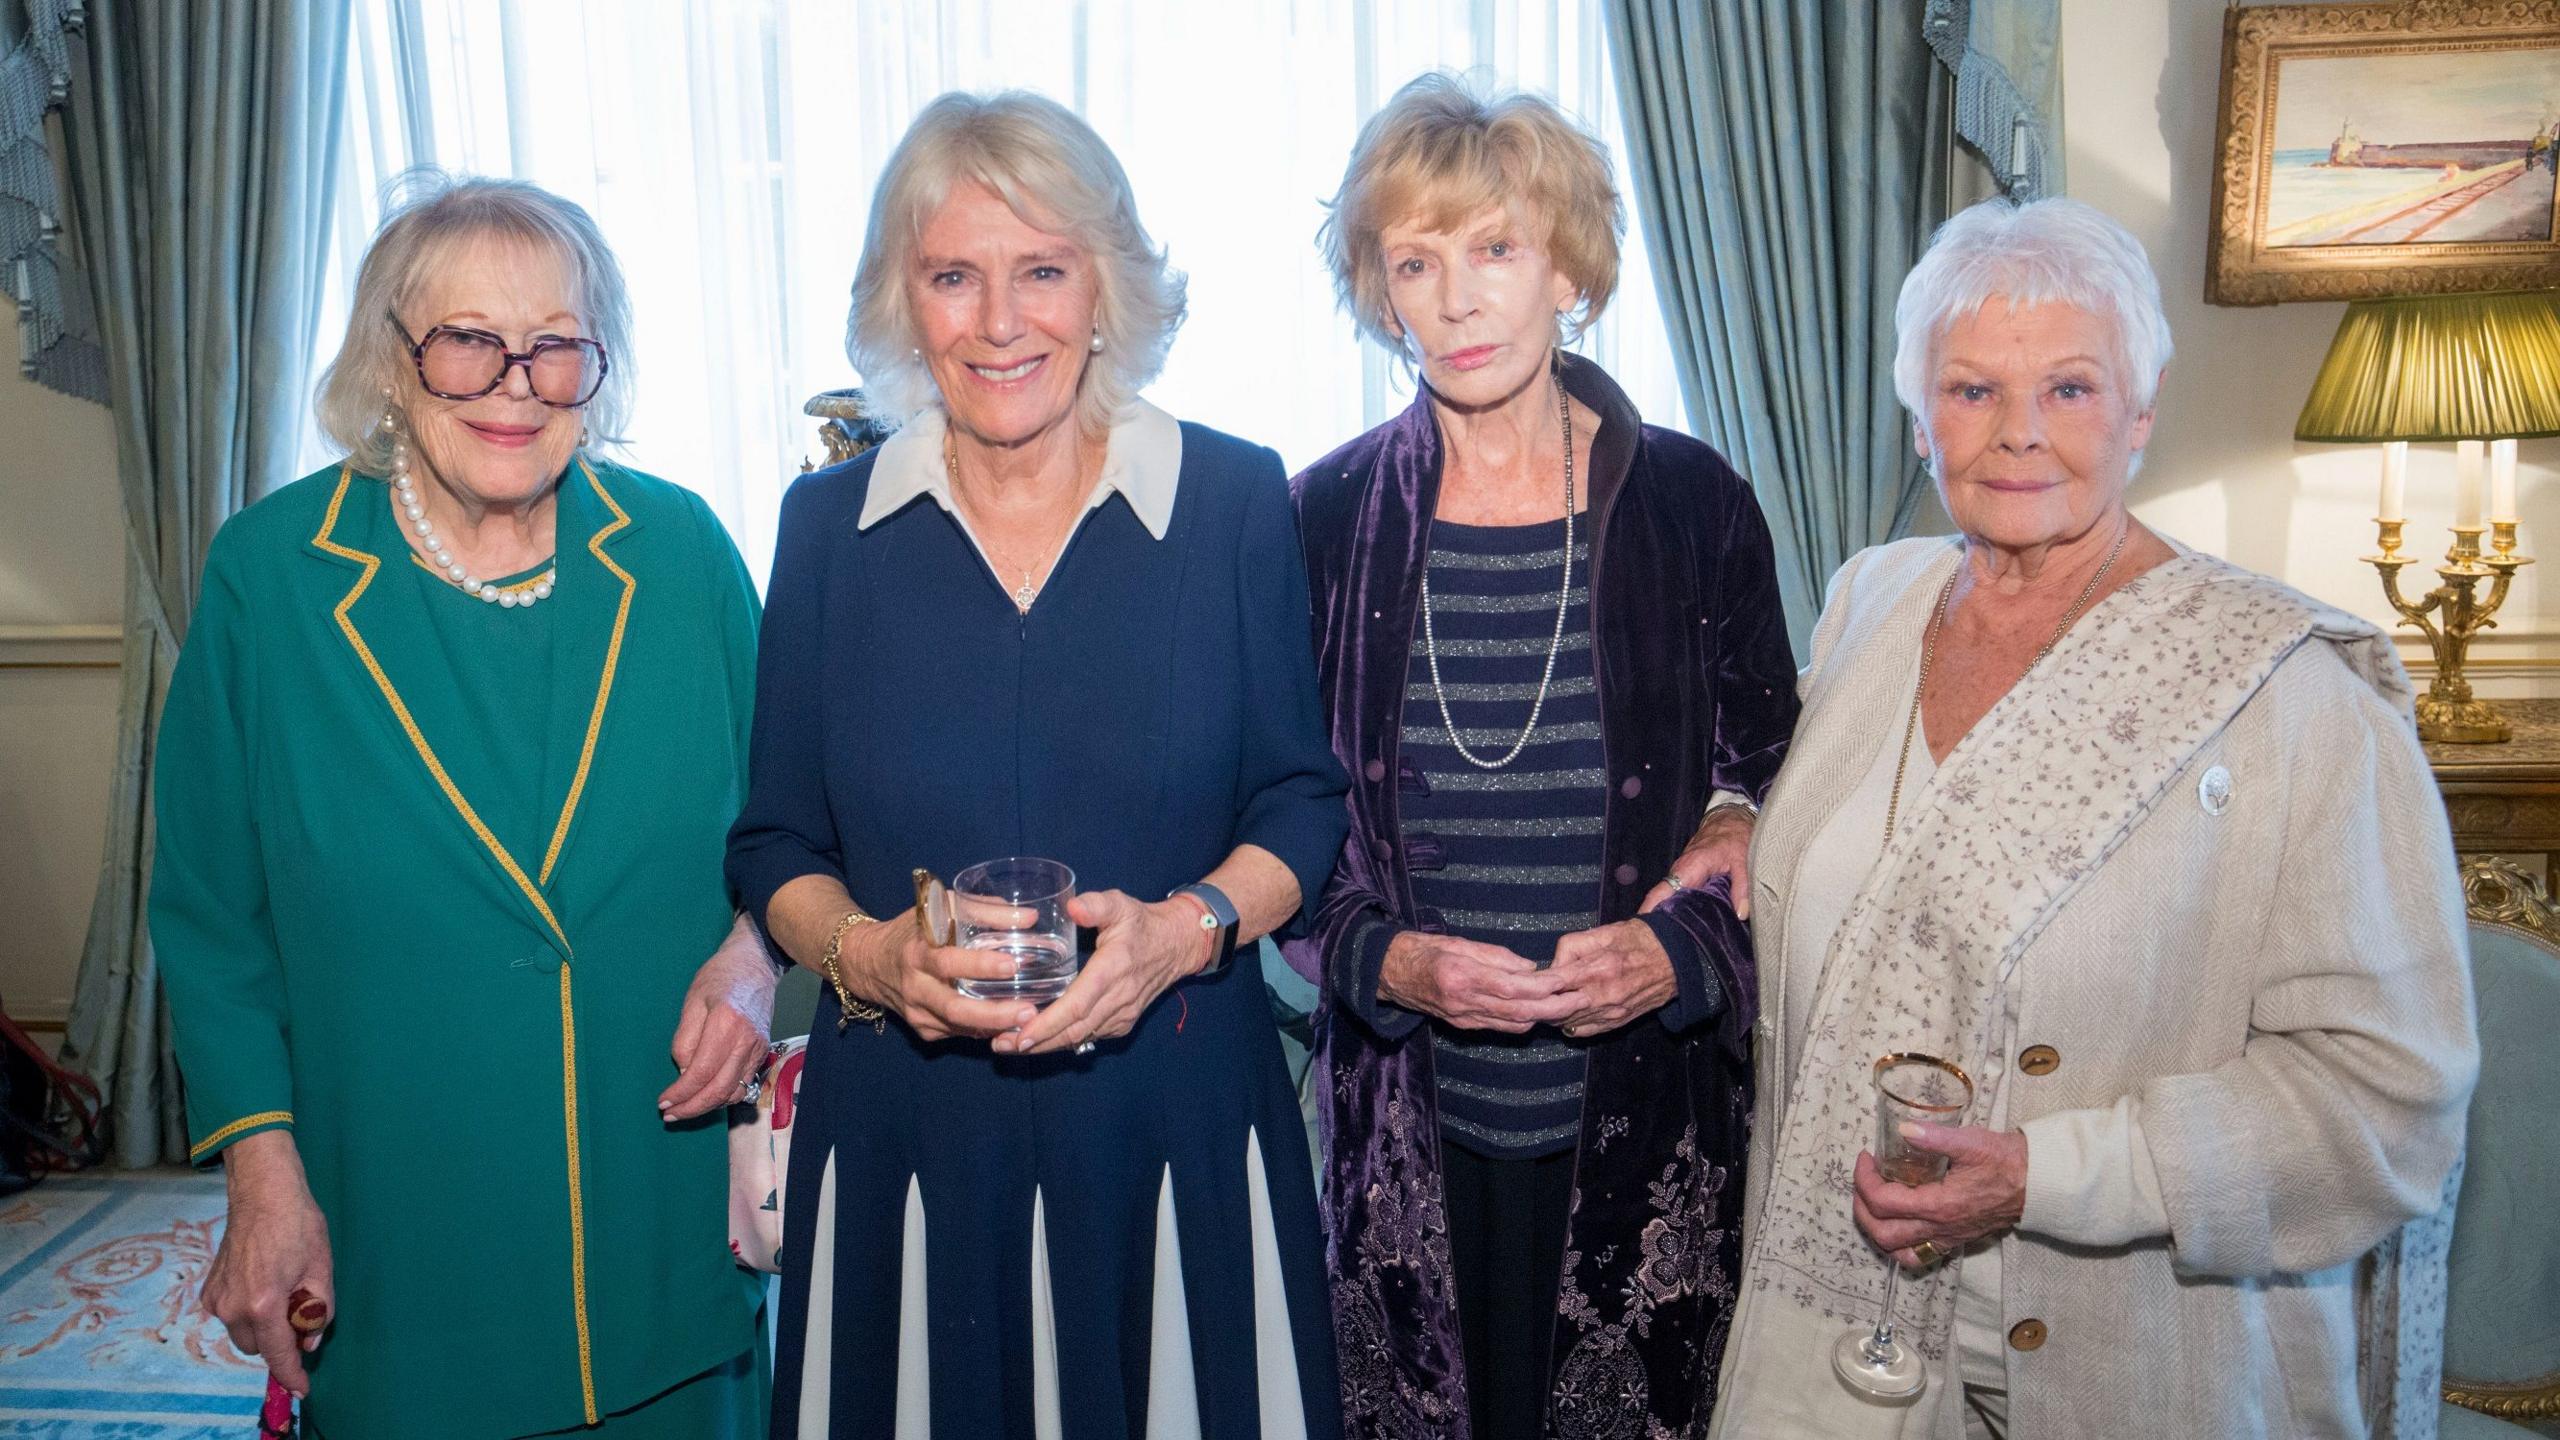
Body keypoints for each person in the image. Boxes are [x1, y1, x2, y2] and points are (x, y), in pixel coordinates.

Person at [1708, 197, 2479, 1439]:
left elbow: (2384, 1102)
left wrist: (2044, 1177)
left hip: (2129, 1363)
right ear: (1917, 419)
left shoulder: (2290, 696)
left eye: (2068, 388)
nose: (2018, 434)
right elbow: (1833, 833)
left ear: (2140, 408)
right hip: (1841, 1353)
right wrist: (1731, 813)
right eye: (1969, 391)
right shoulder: (1870, 604)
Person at [726, 90, 1349, 1438]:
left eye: (1042, 271)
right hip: (905, 1128)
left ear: (1107, 288)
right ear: (906, 301)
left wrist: (1186, 933)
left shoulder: (1234, 500)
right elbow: (775, 843)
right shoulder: (829, 527)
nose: (1001, 322)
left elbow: (1301, 802)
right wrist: (872, 962)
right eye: (955, 276)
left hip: (1174, 1115)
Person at [153, 172, 774, 1436]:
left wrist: (757, 954)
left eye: (555, 348)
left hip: (654, 1220)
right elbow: (211, 915)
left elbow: (791, 833)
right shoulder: (271, 579)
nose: (514, 383)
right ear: (390, 362)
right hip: (401, 1230)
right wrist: (261, 1173)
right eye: (466, 342)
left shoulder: (682, 553)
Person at [1289, 74, 1797, 1439]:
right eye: (1417, 261)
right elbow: (1275, 828)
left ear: (1566, 269)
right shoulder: (1321, 520)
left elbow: (1786, 785)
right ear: (1382, 292)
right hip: (1409, 1135)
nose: (1456, 300)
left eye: (1495, 250)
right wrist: (1385, 961)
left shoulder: (1697, 503)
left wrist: (1688, 944)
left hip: (1643, 1137)